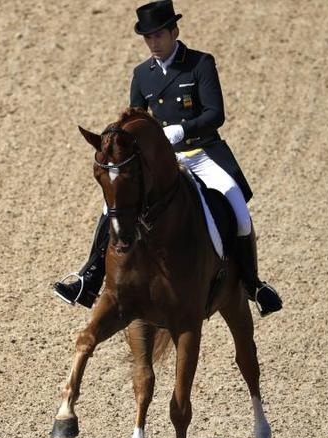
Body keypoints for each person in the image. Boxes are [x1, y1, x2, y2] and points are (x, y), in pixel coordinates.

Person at [54, 0, 282, 316]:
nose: (154, 44)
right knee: (111, 207)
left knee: (239, 210)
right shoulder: (142, 74)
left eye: (159, 36)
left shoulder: (200, 64)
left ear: (174, 31)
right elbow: (132, 118)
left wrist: (181, 129)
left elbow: (216, 114)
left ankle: (253, 284)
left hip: (202, 152)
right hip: (163, 161)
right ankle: (88, 277)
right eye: (148, 39)